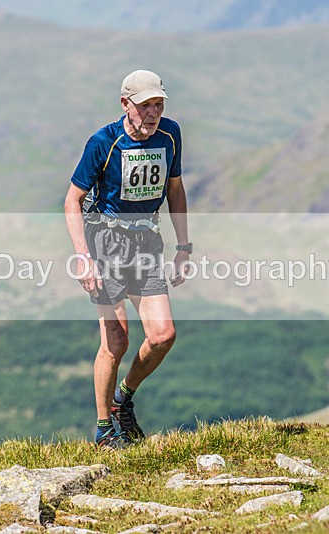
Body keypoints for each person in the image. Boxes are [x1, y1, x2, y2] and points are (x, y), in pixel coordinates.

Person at [64, 69, 192, 449]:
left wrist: (183, 246)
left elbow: (175, 188)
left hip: (147, 242)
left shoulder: (171, 135)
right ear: (126, 105)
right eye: (145, 105)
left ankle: (122, 400)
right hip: (104, 243)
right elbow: (72, 200)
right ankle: (104, 431)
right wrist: (83, 258)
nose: (153, 113)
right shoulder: (103, 142)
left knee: (163, 335)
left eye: (159, 104)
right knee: (116, 341)